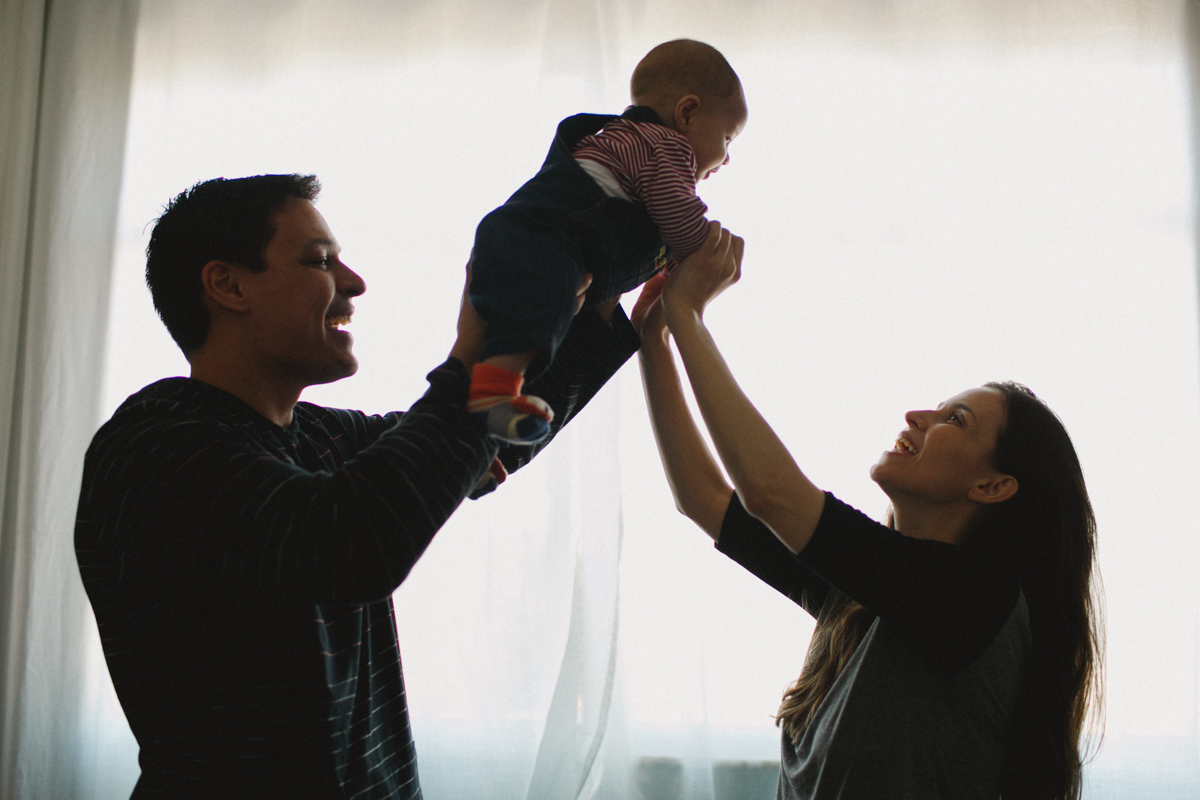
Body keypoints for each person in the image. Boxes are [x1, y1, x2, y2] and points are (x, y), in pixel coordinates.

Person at [74, 174, 641, 798]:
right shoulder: (157, 444)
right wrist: (473, 355)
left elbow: (482, 440)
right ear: (228, 285)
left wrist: (609, 304)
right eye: (320, 260)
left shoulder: (319, 436)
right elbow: (346, 544)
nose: (354, 282)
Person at [632, 224, 1103, 799]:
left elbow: (771, 491)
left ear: (994, 485)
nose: (916, 416)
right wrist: (653, 337)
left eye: (954, 420)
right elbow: (702, 497)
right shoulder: (866, 601)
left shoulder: (975, 602)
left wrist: (689, 315)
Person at [466, 38, 748, 444]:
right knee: (533, 326)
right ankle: (492, 398)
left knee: (525, 335)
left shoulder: (620, 138)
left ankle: (475, 443)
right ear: (688, 112)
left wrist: (663, 266)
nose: (725, 159)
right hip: (544, 240)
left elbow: (643, 221)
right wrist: (703, 252)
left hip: (524, 235)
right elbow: (680, 217)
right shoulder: (664, 146)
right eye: (727, 139)